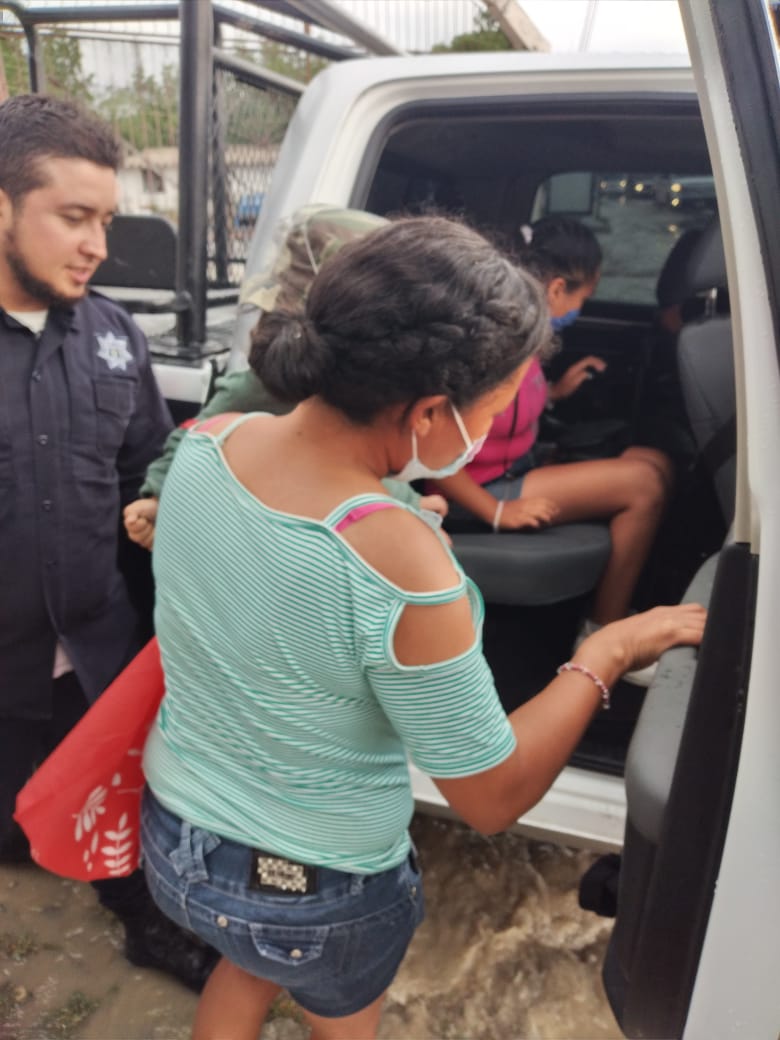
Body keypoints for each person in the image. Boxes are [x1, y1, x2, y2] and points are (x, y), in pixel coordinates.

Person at [138, 215, 705, 1040]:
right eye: (496, 409)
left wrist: (396, 511)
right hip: (315, 886)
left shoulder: (207, 443)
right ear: (432, 413)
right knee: (329, 1001)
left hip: (175, 837)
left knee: (248, 960)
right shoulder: (404, 561)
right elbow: (491, 797)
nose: (492, 429)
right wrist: (605, 650)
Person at [0, 94, 215, 990]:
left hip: (92, 646)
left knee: (115, 798)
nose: (97, 245)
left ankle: (145, 921)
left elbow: (148, 471)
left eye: (107, 222)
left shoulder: (115, 337)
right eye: (73, 217)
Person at [432, 216, 674, 685]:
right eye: (583, 299)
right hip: (475, 493)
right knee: (643, 485)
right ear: (558, 287)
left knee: (653, 461)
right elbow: (433, 454)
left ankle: (615, 610)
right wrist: (497, 512)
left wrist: (557, 393)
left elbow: (510, 413)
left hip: (513, 470)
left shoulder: (525, 336)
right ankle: (601, 632)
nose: (580, 311)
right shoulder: (492, 343)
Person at [123, 204, 448, 551]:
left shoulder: (370, 389)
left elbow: (362, 464)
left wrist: (411, 502)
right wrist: (159, 495)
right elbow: (195, 437)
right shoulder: (265, 387)